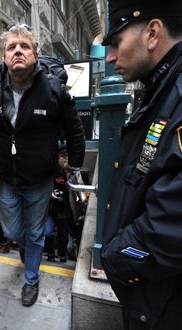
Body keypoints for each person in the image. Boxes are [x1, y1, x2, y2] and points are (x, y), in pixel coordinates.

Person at [0, 24, 85, 306]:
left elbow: (75, 132)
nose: (17, 50)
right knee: (12, 233)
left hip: (40, 179)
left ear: (35, 54)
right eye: (11, 47)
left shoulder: (54, 89)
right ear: (4, 55)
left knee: (33, 233)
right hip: (4, 179)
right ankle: (31, 240)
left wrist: (74, 166)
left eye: (24, 46)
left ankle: (31, 279)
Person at [100, 1, 182, 329]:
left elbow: (171, 226)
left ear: (152, 33)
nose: (109, 57)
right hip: (153, 298)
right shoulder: (160, 91)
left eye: (116, 42)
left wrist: (115, 257)